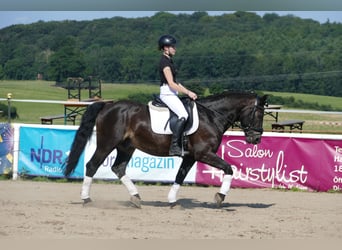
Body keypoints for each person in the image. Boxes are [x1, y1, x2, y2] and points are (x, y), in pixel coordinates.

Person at [158, 34, 198, 156]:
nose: (175, 49)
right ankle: (175, 146)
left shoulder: (170, 61)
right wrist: (187, 92)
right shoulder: (164, 62)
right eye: (172, 47)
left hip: (172, 93)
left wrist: (189, 92)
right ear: (165, 48)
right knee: (183, 114)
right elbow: (171, 83)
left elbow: (177, 83)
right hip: (167, 93)